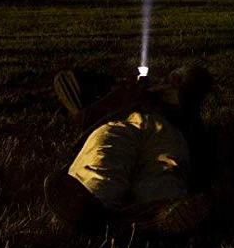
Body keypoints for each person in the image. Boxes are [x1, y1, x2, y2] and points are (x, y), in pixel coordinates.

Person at [44, 64, 217, 234]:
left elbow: (197, 77)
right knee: (107, 152)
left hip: (167, 130)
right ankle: (91, 205)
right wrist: (116, 82)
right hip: (126, 122)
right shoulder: (122, 91)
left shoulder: (186, 111)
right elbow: (65, 78)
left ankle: (156, 214)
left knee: (162, 171)